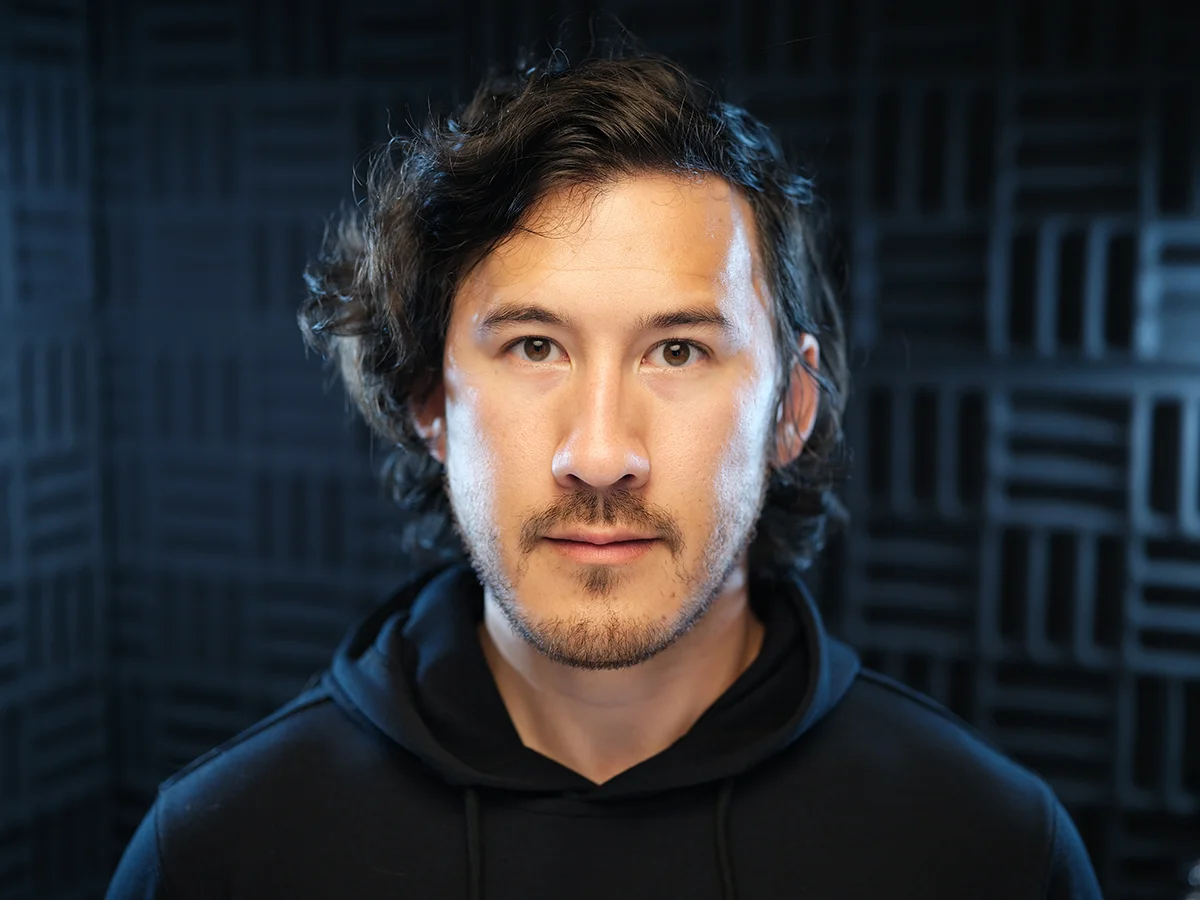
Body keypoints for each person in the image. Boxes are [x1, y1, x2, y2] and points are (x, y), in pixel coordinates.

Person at [106, 47, 1104, 900]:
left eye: (678, 351)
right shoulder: (218, 852)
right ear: (430, 402)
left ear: (792, 409)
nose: (598, 455)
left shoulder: (992, 850)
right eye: (535, 346)